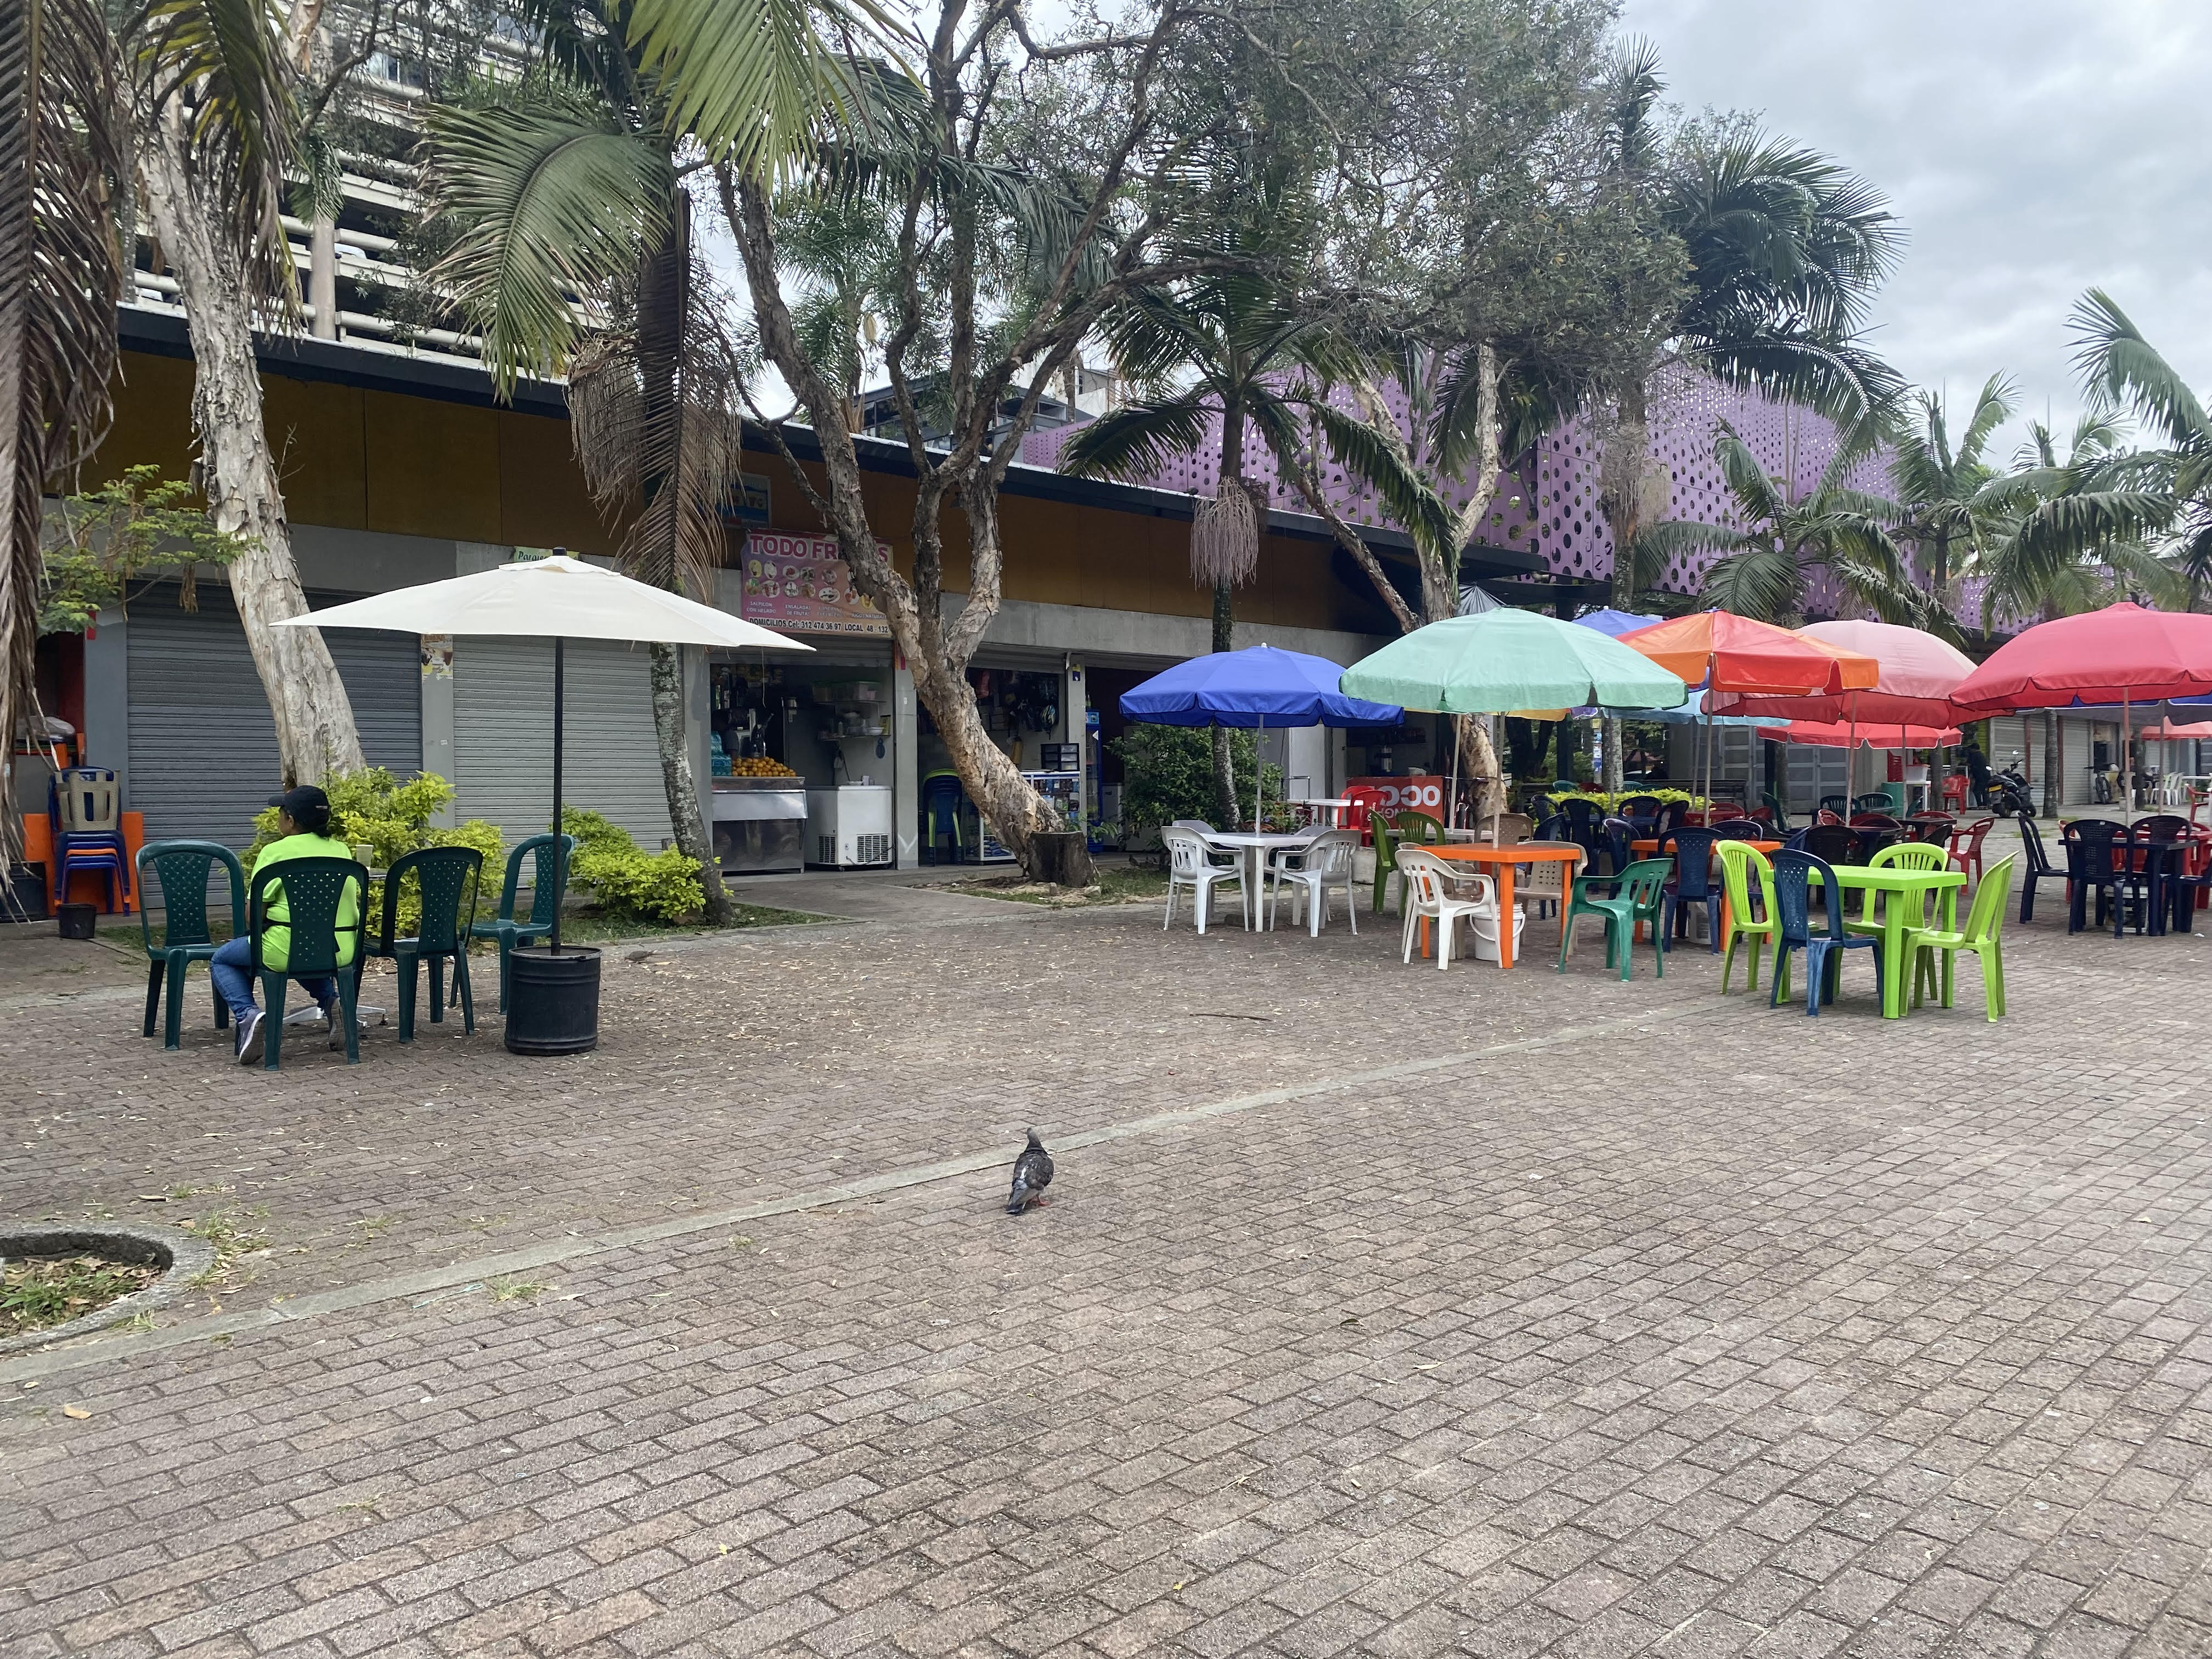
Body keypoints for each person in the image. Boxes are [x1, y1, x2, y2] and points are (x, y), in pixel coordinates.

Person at [210, 785, 362, 1063]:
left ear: (290, 819)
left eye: (280, 813)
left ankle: (248, 1016)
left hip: (285, 949)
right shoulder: (341, 850)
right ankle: (333, 1003)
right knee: (306, 946)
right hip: (341, 950)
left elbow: (252, 917)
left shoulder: (275, 852)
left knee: (222, 959)